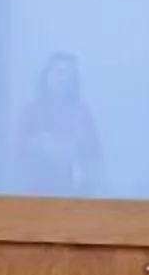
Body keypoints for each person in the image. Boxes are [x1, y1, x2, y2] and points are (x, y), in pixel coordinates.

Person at [13, 51, 104, 196]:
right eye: (58, 71)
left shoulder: (82, 112)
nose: (62, 78)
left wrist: (77, 145)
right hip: (37, 192)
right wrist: (40, 142)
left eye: (68, 73)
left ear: (74, 79)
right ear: (46, 75)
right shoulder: (31, 111)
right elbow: (18, 151)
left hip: (74, 192)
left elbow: (95, 154)